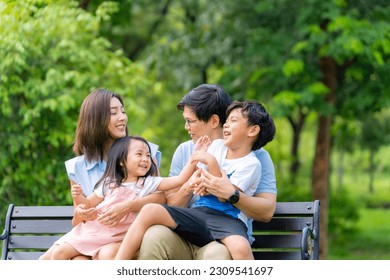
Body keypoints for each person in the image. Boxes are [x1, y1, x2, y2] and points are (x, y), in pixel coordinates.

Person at [115, 100, 276, 260]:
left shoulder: (252, 164)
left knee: (241, 248)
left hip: (228, 220)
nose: (226, 125)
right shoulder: (217, 146)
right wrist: (201, 181)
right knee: (150, 210)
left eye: (233, 121)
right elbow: (203, 179)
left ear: (253, 130)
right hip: (200, 213)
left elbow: (224, 195)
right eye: (226, 120)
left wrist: (211, 164)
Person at [39, 135, 209, 260]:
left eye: (148, 155)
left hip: (117, 237)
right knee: (57, 255)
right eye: (139, 154)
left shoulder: (148, 183)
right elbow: (89, 203)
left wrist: (195, 157)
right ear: (121, 161)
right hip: (94, 231)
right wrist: (79, 200)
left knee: (97, 257)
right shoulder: (109, 183)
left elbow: (179, 180)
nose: (146, 159)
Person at [62, 88, 164, 259]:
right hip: (93, 237)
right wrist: (82, 213)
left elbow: (161, 198)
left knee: (107, 254)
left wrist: (127, 207)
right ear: (96, 119)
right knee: (73, 260)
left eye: (123, 111)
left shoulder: (144, 154)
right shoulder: (76, 168)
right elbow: (79, 219)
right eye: (114, 113)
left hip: (132, 234)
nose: (123, 117)